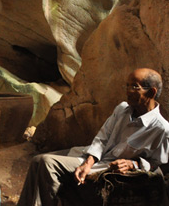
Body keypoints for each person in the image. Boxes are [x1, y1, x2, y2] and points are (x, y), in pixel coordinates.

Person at [18, 67, 169, 206]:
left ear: (151, 92)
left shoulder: (161, 128)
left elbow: (157, 164)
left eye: (135, 87)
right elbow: (102, 138)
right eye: (127, 86)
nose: (128, 91)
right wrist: (88, 163)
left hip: (107, 169)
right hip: (94, 158)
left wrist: (133, 164)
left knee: (45, 162)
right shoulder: (122, 109)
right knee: (37, 162)